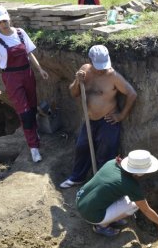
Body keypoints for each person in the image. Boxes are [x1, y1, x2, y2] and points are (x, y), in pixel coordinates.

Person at [59, 45, 137, 189]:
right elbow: (73, 93)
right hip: (90, 120)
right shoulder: (84, 71)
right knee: (82, 147)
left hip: (108, 121)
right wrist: (77, 81)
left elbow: (132, 94)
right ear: (90, 60)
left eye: (103, 66)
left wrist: (121, 115)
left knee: (105, 153)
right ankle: (77, 178)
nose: (101, 69)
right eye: (98, 66)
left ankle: (103, 184)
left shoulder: (113, 76)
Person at [0, 5, 49, 163]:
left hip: (27, 73)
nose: (3, 24)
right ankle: (34, 148)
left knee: (33, 107)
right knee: (25, 112)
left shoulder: (20, 33)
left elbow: (29, 52)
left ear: (9, 18)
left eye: (5, 20)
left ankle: (33, 132)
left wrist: (40, 69)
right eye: (0, 22)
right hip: (11, 77)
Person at [75, 150, 158, 236]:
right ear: (140, 172)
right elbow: (146, 210)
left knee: (121, 193)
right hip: (92, 216)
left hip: (81, 200)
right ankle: (101, 226)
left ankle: (111, 217)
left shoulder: (112, 162)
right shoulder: (130, 184)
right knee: (135, 205)